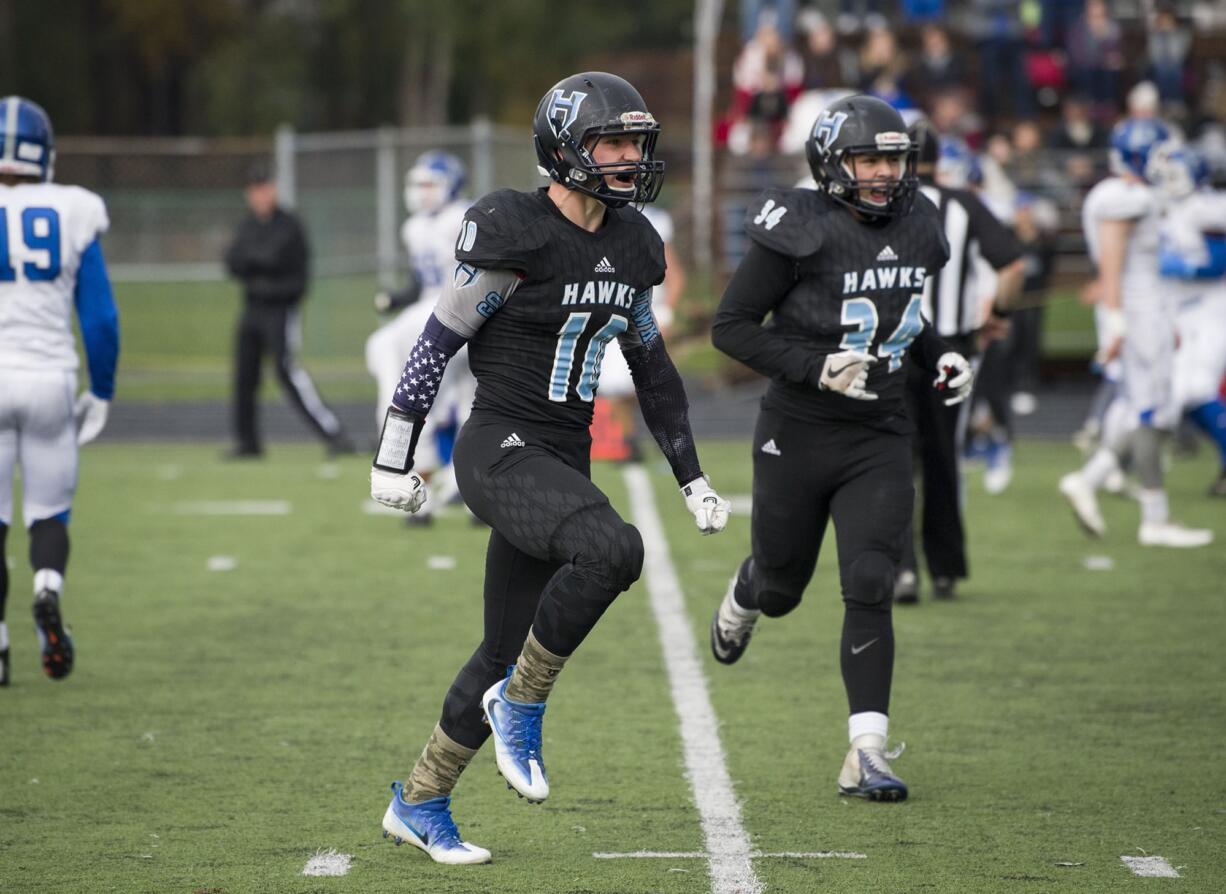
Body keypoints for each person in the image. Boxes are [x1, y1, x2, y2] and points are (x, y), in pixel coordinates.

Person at [367, 72, 731, 864]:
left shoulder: (635, 243)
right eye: (612, 143)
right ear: (565, 149)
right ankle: (522, 707)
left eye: (637, 143)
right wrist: (393, 455)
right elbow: (436, 344)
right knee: (614, 550)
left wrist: (692, 477)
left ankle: (421, 799)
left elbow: (654, 369)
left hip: (563, 456)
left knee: (500, 646)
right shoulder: (514, 228)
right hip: (499, 447)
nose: (630, 158)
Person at [708, 95, 971, 802]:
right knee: (783, 588)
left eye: (894, 158)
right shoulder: (800, 227)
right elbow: (731, 328)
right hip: (797, 430)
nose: (886, 172)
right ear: (831, 164)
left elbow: (901, 322)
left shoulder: (921, 223)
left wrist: (941, 355)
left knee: (871, 580)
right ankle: (748, 588)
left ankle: (866, 751)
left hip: (879, 431)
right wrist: (812, 365)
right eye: (870, 159)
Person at [0, 97, 119, 686]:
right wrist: (101, 389)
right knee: (48, 512)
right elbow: (98, 319)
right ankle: (47, 590)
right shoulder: (71, 208)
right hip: (47, 376)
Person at [1058, 119, 1212, 548]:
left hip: (1150, 312)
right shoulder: (1123, 197)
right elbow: (1111, 259)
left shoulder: (1137, 194)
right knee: (1151, 411)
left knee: (1142, 409)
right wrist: (1118, 320)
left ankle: (1089, 480)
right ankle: (1154, 517)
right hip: (1138, 315)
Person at [894, 122, 1022, 603]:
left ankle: (902, 570)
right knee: (943, 456)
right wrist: (1000, 316)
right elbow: (1013, 265)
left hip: (895, 348)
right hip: (952, 349)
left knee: (897, 459)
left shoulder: (887, 201)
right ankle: (945, 569)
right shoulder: (964, 202)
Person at [365, 151, 472, 522]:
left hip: (451, 316)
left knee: (385, 353)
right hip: (453, 316)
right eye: (418, 184)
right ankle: (464, 490)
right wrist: (395, 297)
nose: (421, 192)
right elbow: (422, 282)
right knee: (469, 406)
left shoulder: (460, 217)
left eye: (430, 184)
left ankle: (397, 449)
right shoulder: (417, 227)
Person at [223, 164, 355, 458]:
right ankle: (248, 443)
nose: (260, 195)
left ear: (274, 190)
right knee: (244, 374)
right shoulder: (247, 225)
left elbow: (271, 259)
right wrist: (258, 262)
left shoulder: (289, 225)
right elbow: (233, 261)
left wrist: (255, 262)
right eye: (254, 190)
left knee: (287, 370)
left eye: (265, 188)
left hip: (281, 309)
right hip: (252, 309)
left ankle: (333, 433)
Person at [1148, 142, 1226, 495]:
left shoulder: (1207, 209)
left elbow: (1217, 263)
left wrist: (1178, 266)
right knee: (1186, 393)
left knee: (1193, 389)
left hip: (1212, 310)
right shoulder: (1170, 208)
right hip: (1186, 312)